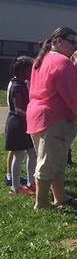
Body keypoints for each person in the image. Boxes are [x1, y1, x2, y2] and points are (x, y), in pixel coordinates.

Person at [27, 28, 77, 209]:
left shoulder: (41, 59)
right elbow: (71, 96)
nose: (75, 46)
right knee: (49, 161)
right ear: (59, 40)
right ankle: (41, 202)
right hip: (55, 117)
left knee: (55, 159)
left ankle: (60, 196)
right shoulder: (63, 62)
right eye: (72, 42)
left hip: (37, 115)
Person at [4, 56, 36, 195]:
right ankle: (15, 187)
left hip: (24, 123)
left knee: (32, 153)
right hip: (17, 124)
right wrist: (32, 116)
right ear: (23, 70)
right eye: (30, 69)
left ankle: (31, 183)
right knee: (18, 155)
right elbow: (17, 108)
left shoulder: (22, 84)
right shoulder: (17, 86)